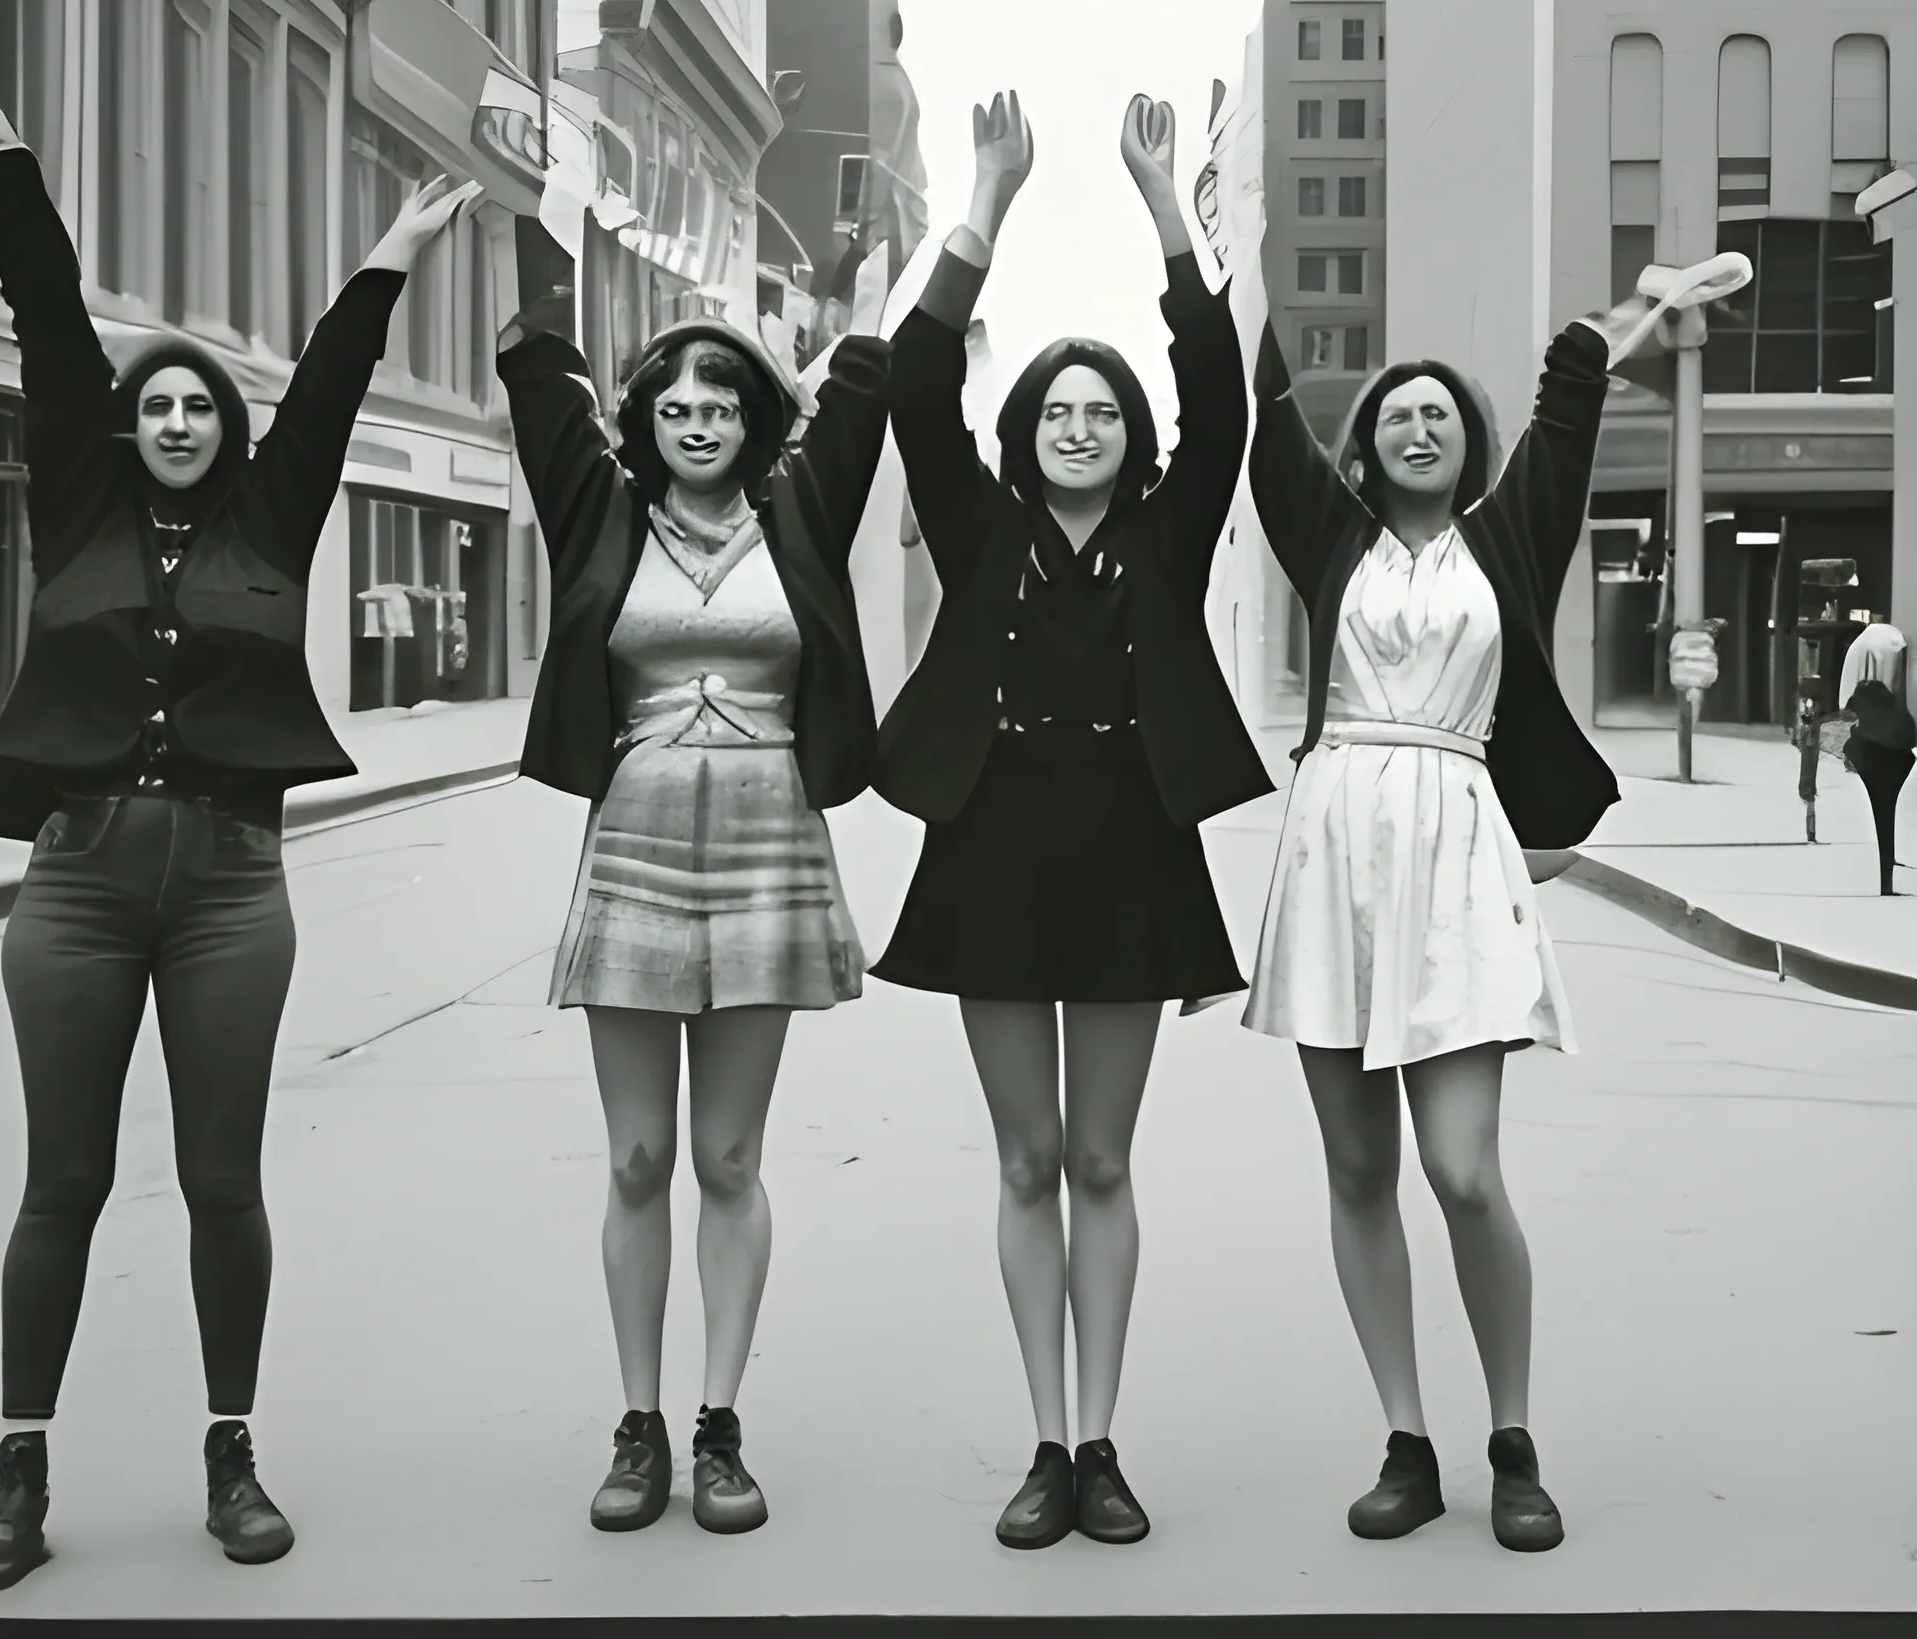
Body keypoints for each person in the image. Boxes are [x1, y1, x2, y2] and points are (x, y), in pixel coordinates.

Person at [0, 49, 478, 1591]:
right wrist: (5, 158)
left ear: (227, 429)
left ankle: (232, 1451)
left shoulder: (271, 525)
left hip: (233, 886)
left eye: (196, 404)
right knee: (62, 1186)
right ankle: (20, 1472)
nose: (174, 417)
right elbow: (42, 321)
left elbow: (337, 384)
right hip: (76, 884)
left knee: (225, 1182)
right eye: (151, 403)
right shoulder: (75, 505)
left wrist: (389, 260)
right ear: (123, 425)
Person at [1229, 209, 1663, 1554]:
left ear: (1467, 442)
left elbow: (1568, 411)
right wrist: (1201, 247)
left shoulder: (1509, 537)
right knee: (1359, 1171)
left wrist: (1634, 310)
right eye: (1394, 415)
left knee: (1464, 1171)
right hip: (1338, 849)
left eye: (1439, 414)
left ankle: (1513, 1437)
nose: (1418, 427)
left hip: (1460, 846)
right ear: (1365, 448)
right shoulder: (1329, 539)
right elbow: (1255, 409)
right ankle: (1407, 1439)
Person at [872, 93, 1272, 1550]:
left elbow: (1220, 398)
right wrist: (987, 200)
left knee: (1104, 1162)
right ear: (1026, 431)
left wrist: (1169, 210)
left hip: (1129, 857)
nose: (1082, 425)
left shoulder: (1171, 531)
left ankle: (1104, 1442)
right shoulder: (982, 531)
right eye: (1059, 408)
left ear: (1132, 435)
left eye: (1105, 410)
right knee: (1026, 1159)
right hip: (991, 849)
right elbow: (919, 385)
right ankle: (1041, 1440)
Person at [496, 272, 891, 1536]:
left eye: (721, 397)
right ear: (644, 420)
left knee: (725, 1155)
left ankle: (718, 1424)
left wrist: (962, 229)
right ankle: (639, 1421)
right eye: (672, 399)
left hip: (767, 838)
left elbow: (872, 392)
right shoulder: (605, 518)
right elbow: (539, 387)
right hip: (638, 841)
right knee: (636, 1155)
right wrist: (520, 216)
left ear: (755, 417)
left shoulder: (797, 517)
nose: (697, 415)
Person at [1838, 623, 1914, 895]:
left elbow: (1845, 705)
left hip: (1869, 748)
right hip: (1892, 751)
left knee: (1882, 812)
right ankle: (1886, 874)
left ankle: (1886, 874)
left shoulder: (1860, 651)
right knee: (1886, 811)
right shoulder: (1894, 649)